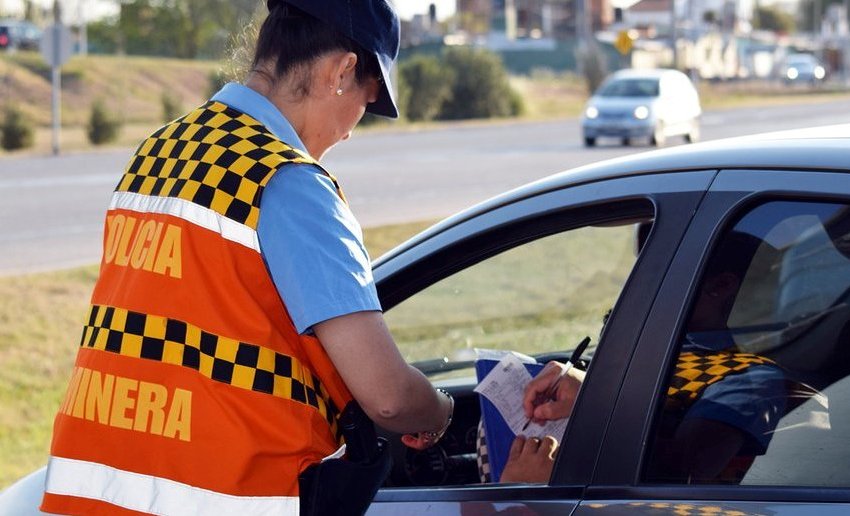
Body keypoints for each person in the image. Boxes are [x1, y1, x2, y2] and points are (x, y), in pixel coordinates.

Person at [40, 2, 452, 515]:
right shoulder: (288, 181)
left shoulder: (159, 151)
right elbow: (387, 395)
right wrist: (437, 409)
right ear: (342, 71)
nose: (349, 132)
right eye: (363, 106)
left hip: (95, 496)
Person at [499, 231, 796, 485]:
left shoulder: (749, 378)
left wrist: (595, 401)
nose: (637, 287)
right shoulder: (655, 348)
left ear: (721, 286)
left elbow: (685, 469)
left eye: (657, 272)